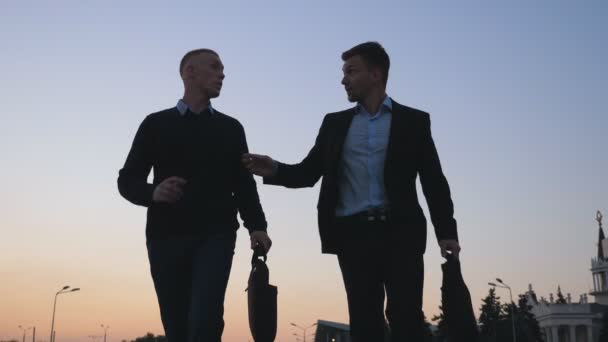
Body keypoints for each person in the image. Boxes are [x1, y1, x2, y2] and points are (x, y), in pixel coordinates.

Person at [243, 41, 460, 342]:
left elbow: (434, 180)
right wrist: (276, 169)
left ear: (375, 74)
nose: (343, 79)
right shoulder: (334, 124)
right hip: (353, 236)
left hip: (402, 233)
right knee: (364, 319)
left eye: (351, 71)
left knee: (407, 317)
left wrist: (446, 231)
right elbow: (308, 172)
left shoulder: (414, 121)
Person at [118, 48, 271, 342]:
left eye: (222, 69)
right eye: (214, 67)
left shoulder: (231, 128)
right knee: (176, 326)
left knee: (205, 320)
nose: (222, 74)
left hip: (216, 236)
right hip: (165, 237)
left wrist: (258, 226)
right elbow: (127, 180)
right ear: (190, 72)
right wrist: (154, 192)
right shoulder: (155, 124)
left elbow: (243, 183)